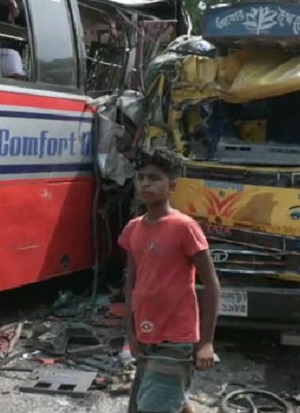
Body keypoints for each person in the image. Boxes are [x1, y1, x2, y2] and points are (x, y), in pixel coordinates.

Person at [119, 149, 221, 413]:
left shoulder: (184, 227)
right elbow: (131, 281)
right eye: (140, 177)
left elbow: (210, 283)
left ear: (171, 186)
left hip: (176, 337)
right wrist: (131, 333)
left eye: (154, 178)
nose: (145, 183)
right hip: (145, 334)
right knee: (165, 400)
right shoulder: (133, 229)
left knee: (154, 405)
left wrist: (207, 342)